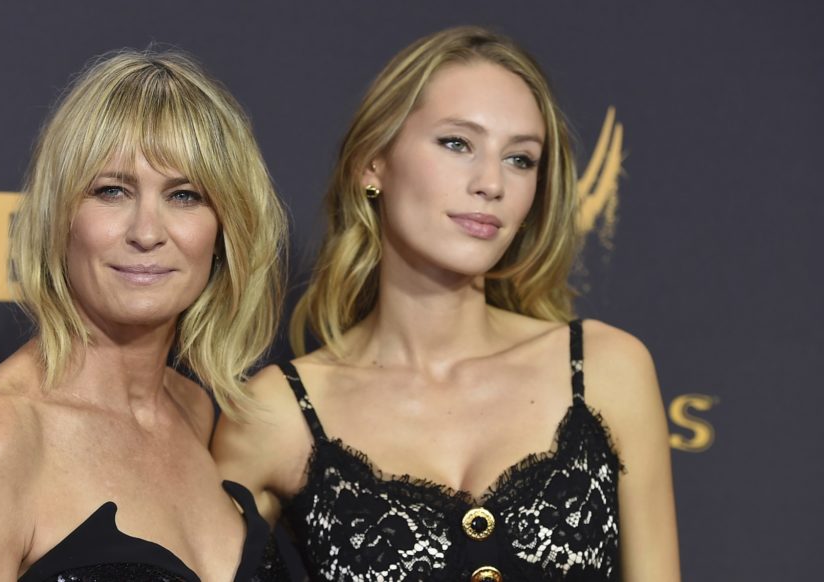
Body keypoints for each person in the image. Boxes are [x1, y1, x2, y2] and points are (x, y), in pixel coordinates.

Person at [214, 26, 680, 581]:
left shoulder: (607, 370)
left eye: (521, 159)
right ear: (373, 163)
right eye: (457, 143)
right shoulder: (277, 414)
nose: (491, 183)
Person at [0, 49, 289, 582]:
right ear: (61, 216)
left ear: (224, 230)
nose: (147, 232)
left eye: (184, 195)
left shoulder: (194, 410)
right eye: (112, 191)